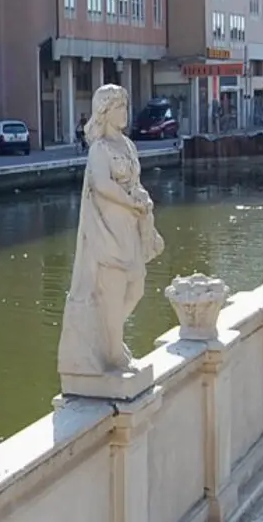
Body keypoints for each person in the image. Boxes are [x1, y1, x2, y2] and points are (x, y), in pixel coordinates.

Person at [58, 84, 165, 378]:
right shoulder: (99, 149)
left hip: (130, 226)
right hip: (108, 230)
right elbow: (102, 185)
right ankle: (113, 350)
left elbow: (134, 181)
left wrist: (142, 198)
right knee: (114, 292)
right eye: (118, 107)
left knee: (138, 286)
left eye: (125, 106)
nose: (124, 112)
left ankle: (109, 338)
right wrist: (130, 200)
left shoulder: (128, 146)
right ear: (104, 113)